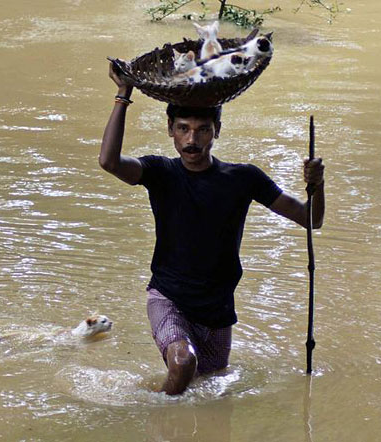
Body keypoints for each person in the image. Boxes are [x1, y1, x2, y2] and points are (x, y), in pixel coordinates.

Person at [99, 63, 325, 395]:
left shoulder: (243, 178)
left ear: (217, 130)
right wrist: (123, 94)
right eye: (183, 128)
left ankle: (163, 407)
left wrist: (317, 185)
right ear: (170, 130)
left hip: (217, 308)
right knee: (183, 363)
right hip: (168, 297)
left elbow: (311, 220)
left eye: (203, 130)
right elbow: (110, 162)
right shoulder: (160, 172)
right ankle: (162, 424)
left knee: (209, 386)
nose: (192, 140)